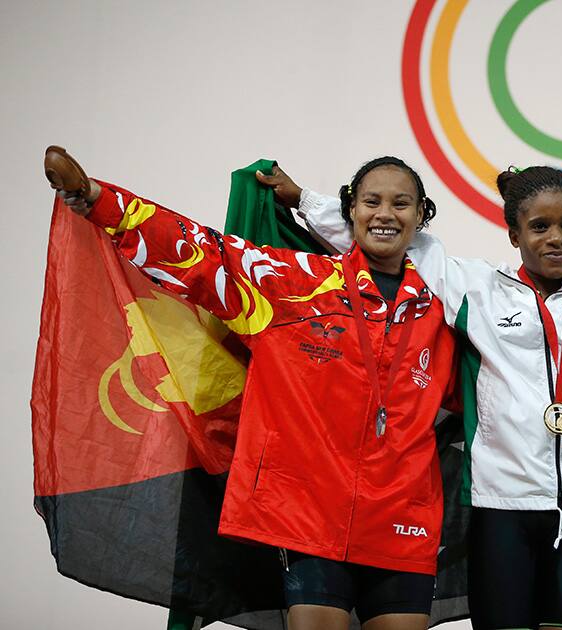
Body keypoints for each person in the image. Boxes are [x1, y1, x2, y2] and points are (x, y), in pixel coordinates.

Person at [260, 52, 562, 630]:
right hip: (500, 510)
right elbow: (391, 240)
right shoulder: (477, 291)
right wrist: (305, 202)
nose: (556, 238)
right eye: (539, 226)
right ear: (513, 233)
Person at [47, 151, 457, 630]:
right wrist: (97, 199)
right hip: (310, 515)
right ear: (351, 211)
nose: (385, 214)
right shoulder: (292, 284)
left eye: (401, 204)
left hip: (403, 515)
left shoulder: (446, 308)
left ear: (421, 217)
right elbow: (201, 253)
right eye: (372, 201)